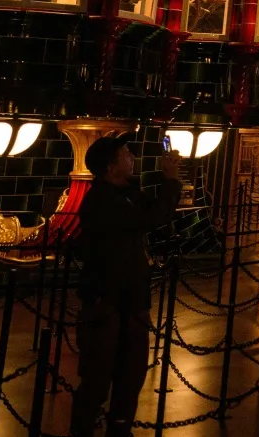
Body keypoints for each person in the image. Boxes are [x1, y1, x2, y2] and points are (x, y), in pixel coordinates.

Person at [72, 136, 180, 437]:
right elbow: (153, 217)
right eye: (126, 154)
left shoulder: (127, 193)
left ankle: (120, 429)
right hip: (107, 299)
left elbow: (154, 209)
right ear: (110, 166)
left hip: (132, 299)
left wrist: (166, 178)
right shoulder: (102, 201)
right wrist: (172, 180)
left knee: (131, 374)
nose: (132, 157)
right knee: (98, 376)